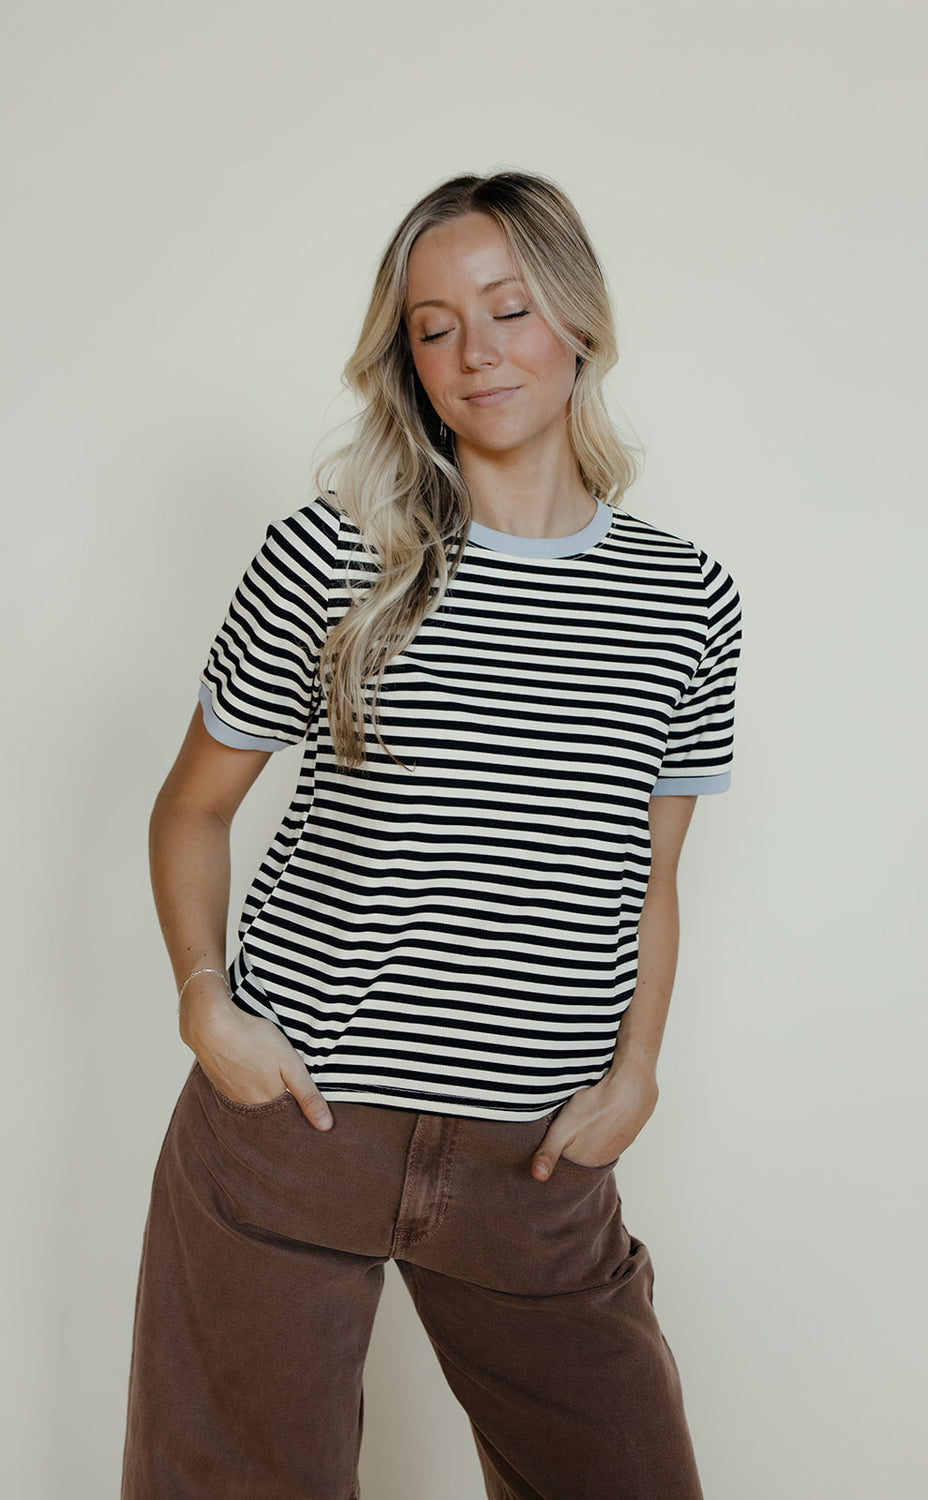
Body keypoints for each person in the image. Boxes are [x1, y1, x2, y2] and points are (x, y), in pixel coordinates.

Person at [121, 170, 741, 1500]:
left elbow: (651, 874)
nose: (476, 354)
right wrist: (205, 1003)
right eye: (434, 327)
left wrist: (637, 1072)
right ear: (406, 358)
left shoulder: (685, 598)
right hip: (296, 1127)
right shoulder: (332, 556)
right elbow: (193, 806)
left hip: (535, 1156)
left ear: (577, 320)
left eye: (509, 310)